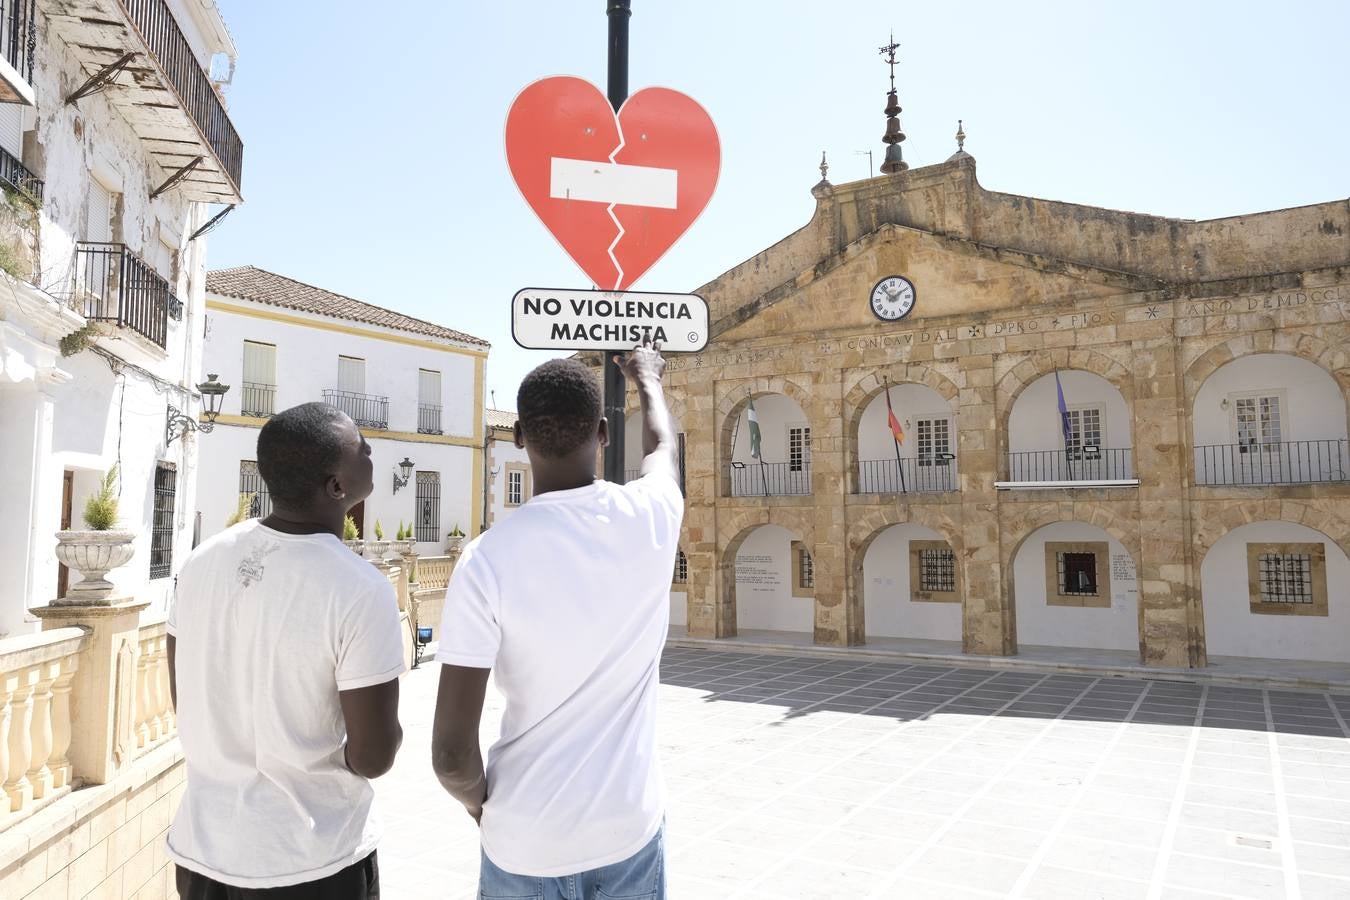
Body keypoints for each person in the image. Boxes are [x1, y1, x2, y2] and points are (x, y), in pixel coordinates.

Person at [432, 339, 682, 899]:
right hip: (628, 829)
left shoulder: (485, 559)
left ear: (519, 437)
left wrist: (486, 809)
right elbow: (664, 446)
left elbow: (451, 757)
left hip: (524, 840)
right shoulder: (652, 516)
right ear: (602, 432)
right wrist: (648, 379)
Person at [166, 402, 406, 899]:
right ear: (337, 488)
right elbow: (374, 755)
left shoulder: (200, 563)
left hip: (203, 851)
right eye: (361, 447)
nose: (371, 450)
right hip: (311, 860)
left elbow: (184, 696)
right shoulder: (359, 588)